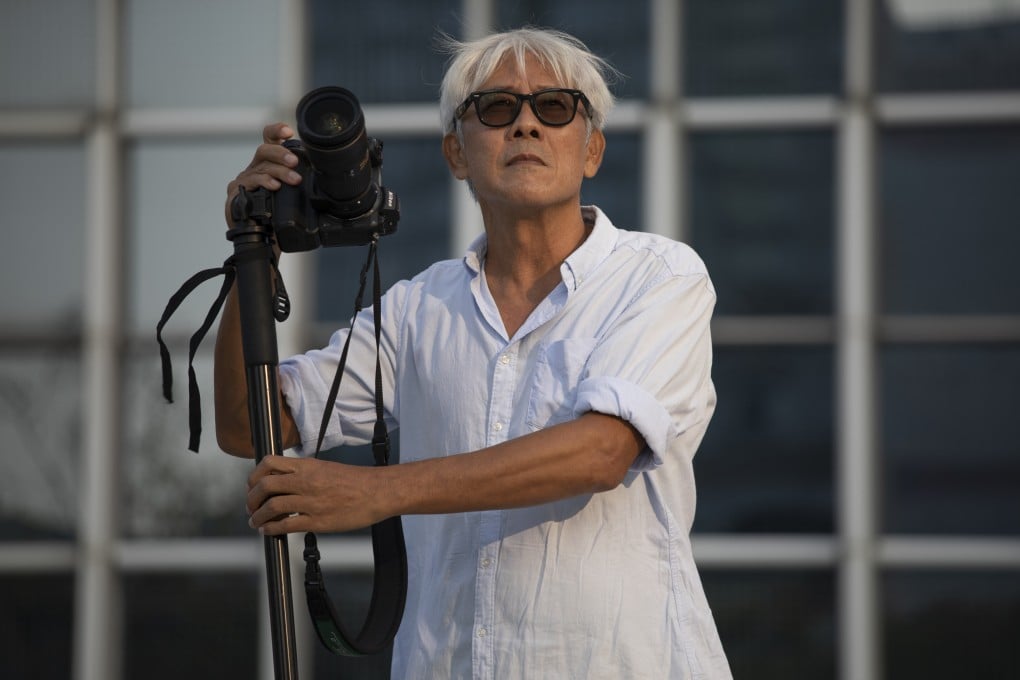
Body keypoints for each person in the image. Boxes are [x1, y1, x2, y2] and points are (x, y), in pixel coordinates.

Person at [215, 27, 732, 680]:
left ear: (592, 148)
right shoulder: (415, 310)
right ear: (455, 153)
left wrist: (378, 491)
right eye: (495, 108)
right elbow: (246, 424)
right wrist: (253, 248)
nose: (525, 126)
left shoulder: (660, 276)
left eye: (554, 107)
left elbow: (601, 451)